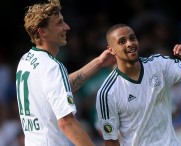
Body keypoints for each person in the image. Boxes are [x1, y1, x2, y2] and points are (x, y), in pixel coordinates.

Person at [15, 0, 115, 146]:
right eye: (59, 23)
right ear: (42, 32)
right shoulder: (52, 66)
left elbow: (60, 88)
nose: (66, 27)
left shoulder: (25, 60)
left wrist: (99, 62)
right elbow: (66, 122)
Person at [96, 23, 181, 146]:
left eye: (132, 38)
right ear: (111, 50)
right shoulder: (107, 92)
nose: (130, 43)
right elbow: (110, 140)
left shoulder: (159, 64)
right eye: (122, 41)